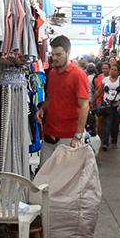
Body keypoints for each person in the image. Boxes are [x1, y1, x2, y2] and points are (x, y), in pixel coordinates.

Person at [36, 35, 90, 165]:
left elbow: (85, 106)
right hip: (50, 133)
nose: (55, 58)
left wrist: (77, 136)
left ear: (68, 52)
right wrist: (43, 108)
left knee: (67, 178)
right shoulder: (53, 73)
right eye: (53, 54)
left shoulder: (78, 75)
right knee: (44, 173)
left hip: (69, 136)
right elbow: (51, 95)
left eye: (59, 54)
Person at [95, 64, 120, 150]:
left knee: (115, 124)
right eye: (111, 70)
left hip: (117, 105)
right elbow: (99, 91)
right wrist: (93, 101)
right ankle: (105, 143)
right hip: (107, 104)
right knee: (107, 123)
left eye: (114, 70)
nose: (112, 72)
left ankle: (114, 141)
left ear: (118, 72)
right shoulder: (105, 80)